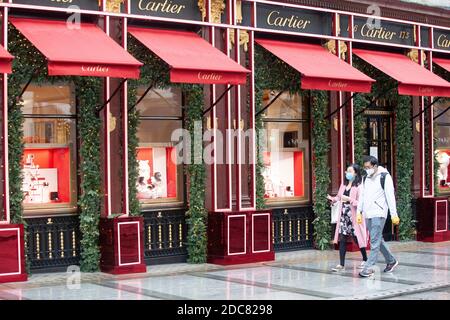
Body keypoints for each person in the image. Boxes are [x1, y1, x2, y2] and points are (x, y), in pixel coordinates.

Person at [357, 156, 400, 278]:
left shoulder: (384, 177)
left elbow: (390, 196)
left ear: (375, 166)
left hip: (379, 213)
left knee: (374, 241)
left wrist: (394, 215)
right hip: (368, 213)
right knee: (377, 239)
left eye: (368, 167)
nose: (366, 169)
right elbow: (362, 196)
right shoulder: (365, 178)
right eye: (365, 167)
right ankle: (391, 261)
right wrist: (359, 212)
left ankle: (368, 268)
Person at [327, 164, 368, 272]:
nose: (347, 173)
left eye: (350, 171)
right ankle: (341, 264)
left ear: (355, 173)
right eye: (347, 171)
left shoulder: (359, 186)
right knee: (342, 238)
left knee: (357, 238)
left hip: (354, 216)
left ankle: (365, 259)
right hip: (344, 216)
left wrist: (350, 199)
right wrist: (332, 199)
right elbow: (339, 197)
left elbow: (361, 203)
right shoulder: (344, 184)